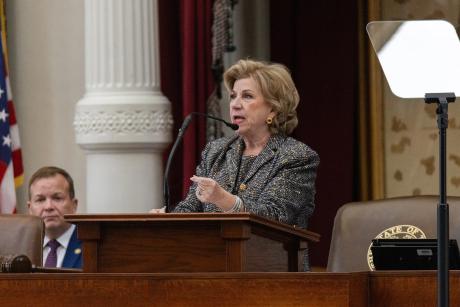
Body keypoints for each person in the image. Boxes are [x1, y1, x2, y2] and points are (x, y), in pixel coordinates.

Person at [173, 59, 319, 270]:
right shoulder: (216, 151)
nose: (235, 104)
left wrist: (226, 200)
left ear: (273, 110)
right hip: (212, 270)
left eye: (247, 96)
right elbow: (191, 208)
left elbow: (275, 218)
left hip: (274, 276)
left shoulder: (296, 157)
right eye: (233, 96)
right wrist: (168, 221)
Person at [28, 166, 82, 269]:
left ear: (74, 204)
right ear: (30, 208)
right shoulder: (20, 247)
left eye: (57, 198)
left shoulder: (91, 245)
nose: (48, 207)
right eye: (40, 200)